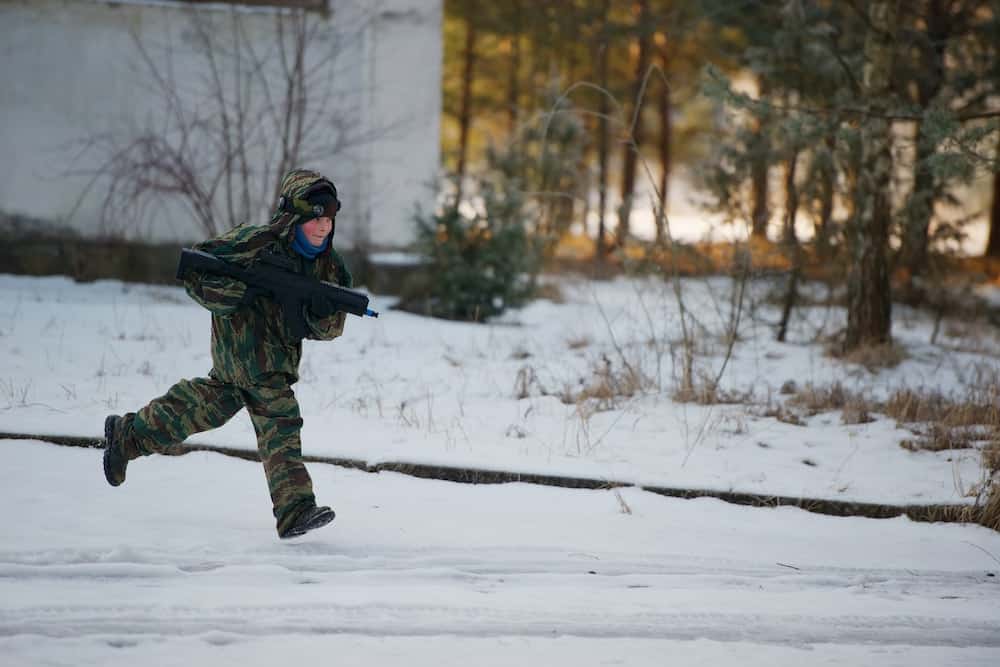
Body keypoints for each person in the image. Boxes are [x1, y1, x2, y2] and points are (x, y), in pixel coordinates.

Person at [102, 168, 353, 539]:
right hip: (241, 352)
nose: (323, 227)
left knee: (199, 408)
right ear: (294, 217)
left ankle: (127, 435)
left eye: (329, 219)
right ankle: (295, 509)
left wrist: (316, 311)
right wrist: (239, 294)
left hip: (273, 361)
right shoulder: (254, 241)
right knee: (280, 420)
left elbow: (331, 327)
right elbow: (196, 271)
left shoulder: (328, 266)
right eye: (315, 217)